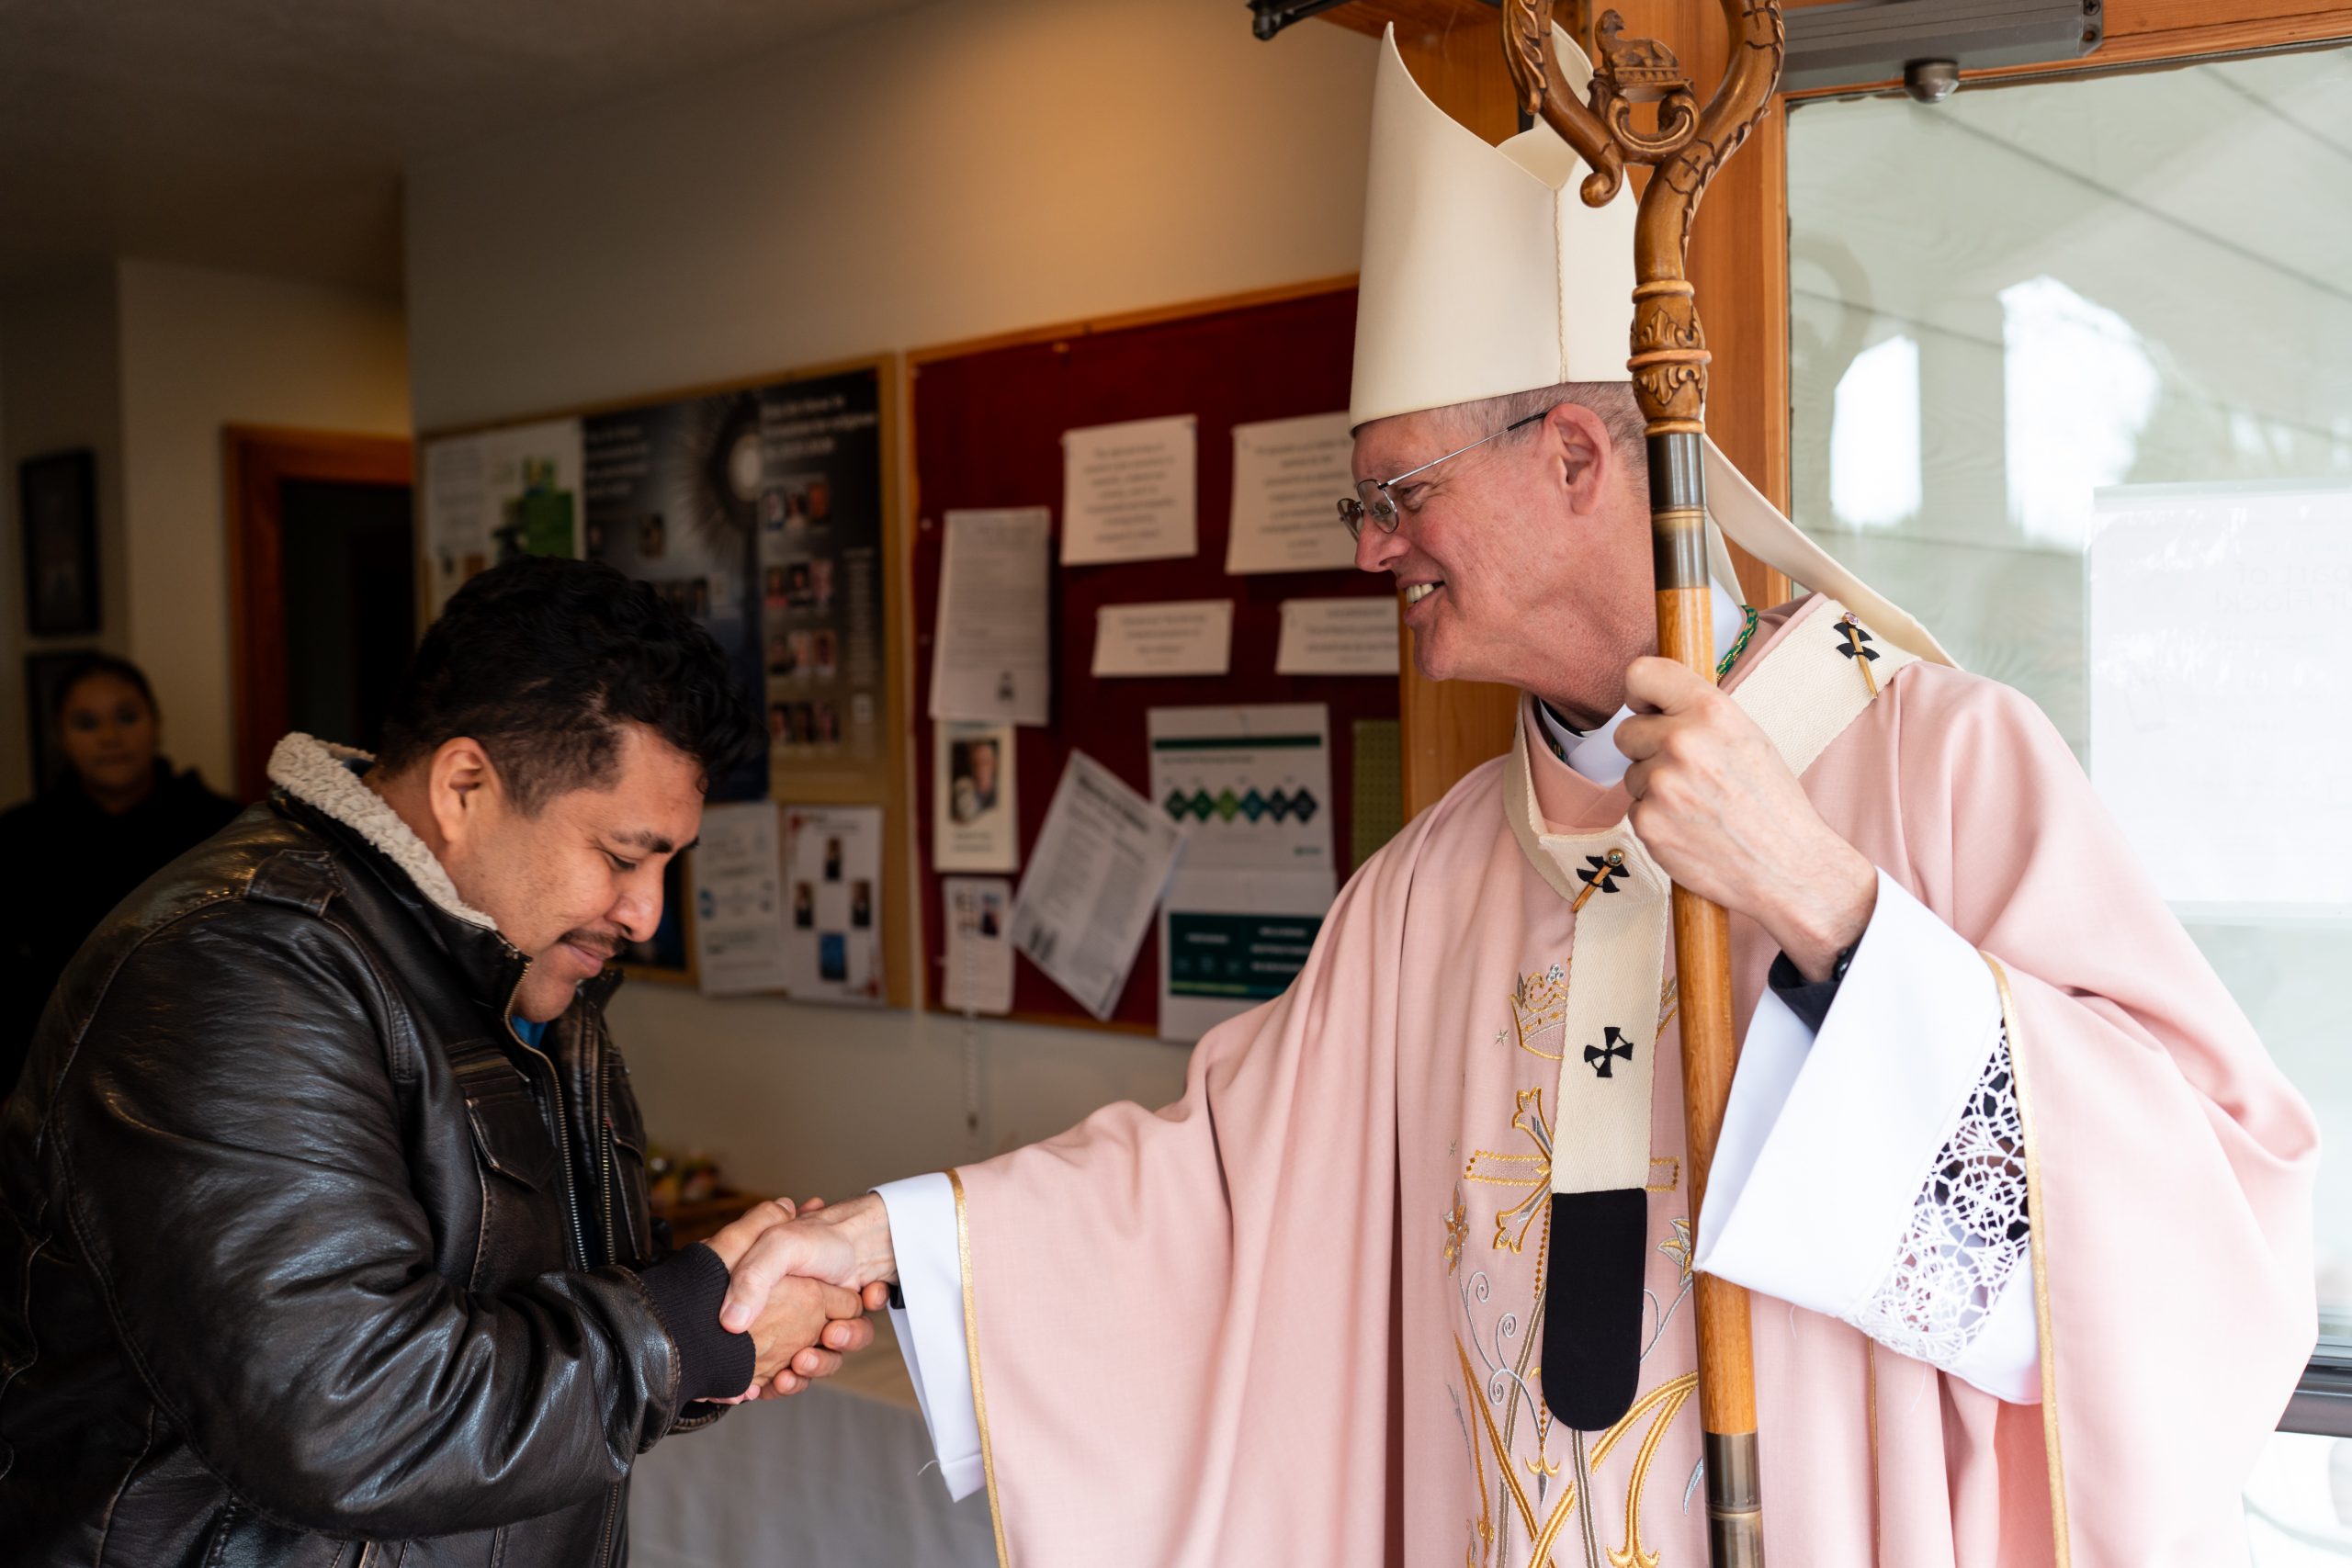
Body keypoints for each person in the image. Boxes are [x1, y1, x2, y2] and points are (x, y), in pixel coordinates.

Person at [711, 28, 2316, 1568]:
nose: (1366, 547)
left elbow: (2205, 1230)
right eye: (1361, 503)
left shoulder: (1942, 761)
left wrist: (1827, 904)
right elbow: (1210, 1192)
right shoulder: (1432, 884)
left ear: (1572, 454)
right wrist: (885, 1241)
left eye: (1398, 492)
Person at [0, 558, 884, 1566]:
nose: (647, 912)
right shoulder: (229, 969)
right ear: (464, 786)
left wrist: (722, 1315)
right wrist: (683, 1336)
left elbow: (517, 1337)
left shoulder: (525, 971)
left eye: (667, 865)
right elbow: (348, 1422)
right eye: (622, 856)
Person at [0, 652, 240, 1099]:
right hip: (56, 1077)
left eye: (126, 717)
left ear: (156, 722)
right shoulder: (19, 838)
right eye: (87, 723)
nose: (110, 737)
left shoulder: (222, 830)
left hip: (194, 1070)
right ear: (61, 736)